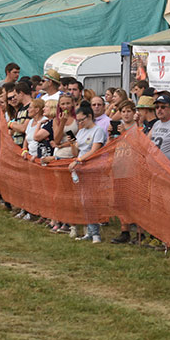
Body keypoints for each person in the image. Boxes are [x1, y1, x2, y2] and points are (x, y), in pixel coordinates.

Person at [69, 102, 108, 243]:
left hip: (93, 168)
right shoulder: (81, 131)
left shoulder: (98, 131)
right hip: (81, 169)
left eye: (82, 120)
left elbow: (94, 150)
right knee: (84, 201)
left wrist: (78, 160)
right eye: (78, 120)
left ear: (89, 116)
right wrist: (72, 144)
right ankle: (90, 232)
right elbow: (76, 151)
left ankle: (95, 233)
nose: (80, 123)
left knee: (91, 200)